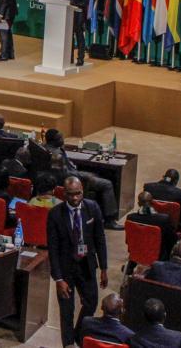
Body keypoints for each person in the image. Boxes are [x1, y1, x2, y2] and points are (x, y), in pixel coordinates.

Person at [48, 176, 108, 348]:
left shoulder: (92, 208)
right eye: (70, 194)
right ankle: (68, 344)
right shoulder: (55, 214)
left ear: (83, 191)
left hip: (86, 265)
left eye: (78, 194)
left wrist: (103, 267)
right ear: (64, 193)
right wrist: (59, 279)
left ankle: (76, 335)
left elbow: (100, 239)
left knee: (92, 302)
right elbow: (53, 248)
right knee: (67, 310)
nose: (74, 198)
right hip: (66, 269)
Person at [45, 128, 122, 229]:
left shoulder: (46, 148)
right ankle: (110, 220)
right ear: (54, 141)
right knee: (107, 184)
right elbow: (65, 175)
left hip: (71, 175)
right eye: (60, 138)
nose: (63, 139)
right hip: (73, 181)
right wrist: (85, 175)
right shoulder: (56, 155)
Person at [126, 191, 176, 262]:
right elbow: (172, 240)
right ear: (153, 203)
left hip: (137, 253)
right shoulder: (163, 219)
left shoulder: (130, 218)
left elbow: (128, 240)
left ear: (138, 204)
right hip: (159, 256)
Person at [63, 0, 89, 66]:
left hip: (78, 15)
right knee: (69, 37)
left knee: (79, 37)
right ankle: (69, 58)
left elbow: (85, 1)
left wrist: (75, 3)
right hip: (68, 15)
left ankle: (80, 59)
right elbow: (63, 0)